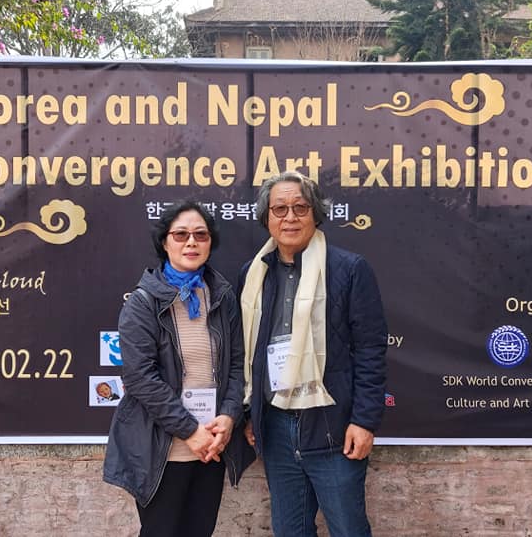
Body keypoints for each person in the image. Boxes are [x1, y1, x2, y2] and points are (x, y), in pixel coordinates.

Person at [240, 171, 388, 537]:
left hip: (333, 426)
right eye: (280, 209)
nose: (290, 217)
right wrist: (250, 414)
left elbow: (370, 350)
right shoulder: (254, 274)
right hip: (275, 426)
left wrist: (364, 421)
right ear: (267, 218)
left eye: (300, 208)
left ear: (316, 214)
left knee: (349, 530)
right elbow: (249, 353)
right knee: (289, 531)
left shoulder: (349, 270)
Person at [103, 200, 251, 537]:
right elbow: (141, 379)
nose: (191, 242)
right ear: (165, 242)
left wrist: (229, 417)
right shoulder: (143, 303)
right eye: (181, 234)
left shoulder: (222, 297)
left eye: (201, 235)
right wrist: (190, 431)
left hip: (212, 448)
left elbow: (237, 364)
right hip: (163, 452)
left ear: (210, 242)